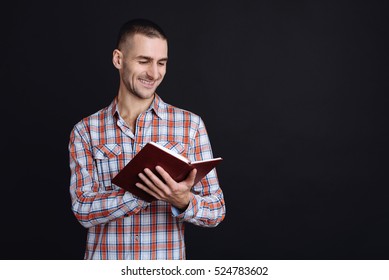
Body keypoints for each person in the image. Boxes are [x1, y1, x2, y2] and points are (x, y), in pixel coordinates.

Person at [68, 18, 226, 260]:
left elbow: (216, 210)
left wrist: (183, 201)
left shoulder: (190, 125)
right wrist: (139, 194)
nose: (154, 73)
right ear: (118, 59)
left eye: (161, 63)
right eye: (144, 61)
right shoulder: (85, 130)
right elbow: (82, 209)